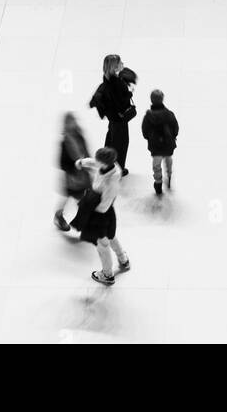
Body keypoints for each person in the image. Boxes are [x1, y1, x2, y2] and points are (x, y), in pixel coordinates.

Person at [71, 147, 130, 285]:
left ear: (105, 163)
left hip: (101, 212)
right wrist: (82, 162)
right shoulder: (109, 164)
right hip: (104, 209)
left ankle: (107, 274)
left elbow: (105, 203)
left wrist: (90, 212)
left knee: (102, 244)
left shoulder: (112, 181)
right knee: (111, 235)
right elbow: (94, 162)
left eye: (99, 161)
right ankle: (122, 258)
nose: (96, 162)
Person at [89, 54, 137, 176]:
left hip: (112, 118)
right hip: (119, 119)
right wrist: (130, 92)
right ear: (115, 67)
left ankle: (106, 162)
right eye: (121, 63)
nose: (123, 64)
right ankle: (118, 169)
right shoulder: (118, 83)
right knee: (121, 144)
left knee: (111, 140)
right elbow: (121, 103)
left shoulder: (107, 78)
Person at [53, 112, 89, 232]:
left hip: (83, 173)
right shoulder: (65, 142)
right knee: (71, 196)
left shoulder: (80, 135)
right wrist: (74, 168)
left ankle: (82, 220)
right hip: (72, 176)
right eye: (70, 122)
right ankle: (60, 216)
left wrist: (90, 163)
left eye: (73, 121)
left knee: (80, 197)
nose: (72, 124)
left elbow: (86, 150)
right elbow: (62, 162)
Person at [141, 89, 179, 196]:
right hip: (168, 144)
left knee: (156, 165)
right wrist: (173, 137)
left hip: (155, 145)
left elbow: (144, 131)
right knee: (168, 162)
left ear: (151, 100)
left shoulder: (148, 116)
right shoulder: (169, 114)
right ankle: (169, 177)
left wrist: (150, 138)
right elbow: (175, 128)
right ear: (162, 99)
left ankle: (158, 183)